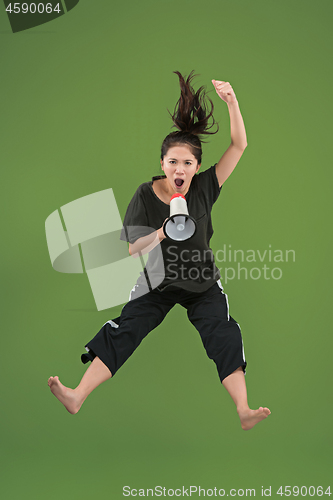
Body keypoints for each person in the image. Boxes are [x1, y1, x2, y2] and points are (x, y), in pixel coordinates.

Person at [48, 71, 271, 430]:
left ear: (196, 167)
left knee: (223, 333)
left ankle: (243, 409)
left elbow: (239, 145)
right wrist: (162, 233)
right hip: (158, 282)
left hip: (202, 284)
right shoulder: (144, 194)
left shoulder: (204, 187)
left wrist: (232, 102)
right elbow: (133, 248)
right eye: (172, 162)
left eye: (187, 163)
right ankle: (77, 395)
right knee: (126, 329)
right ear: (163, 163)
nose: (179, 169)